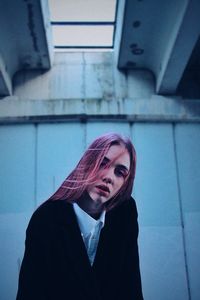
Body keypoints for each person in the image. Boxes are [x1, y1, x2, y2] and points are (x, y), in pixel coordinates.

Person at [16, 132, 144, 300]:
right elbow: (31, 293)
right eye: (102, 163)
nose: (108, 177)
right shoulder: (46, 220)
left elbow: (131, 287)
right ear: (87, 164)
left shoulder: (125, 214)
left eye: (120, 172)